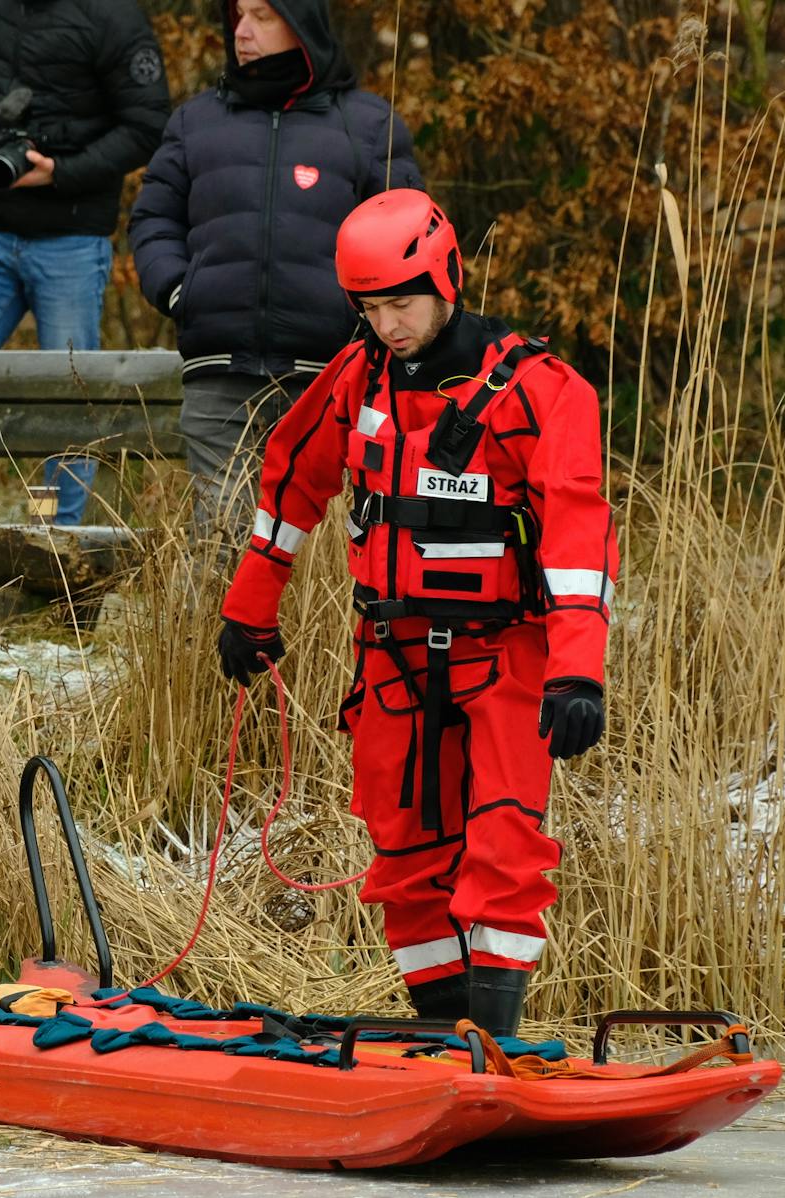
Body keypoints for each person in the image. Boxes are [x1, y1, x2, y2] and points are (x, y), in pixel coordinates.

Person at [215, 189, 616, 1038]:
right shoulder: (356, 378)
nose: (387, 324)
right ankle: (442, 1039)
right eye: (369, 307)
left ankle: (495, 1041)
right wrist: (251, 607)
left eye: (401, 302)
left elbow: (580, 535)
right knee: (403, 856)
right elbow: (291, 478)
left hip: (508, 653)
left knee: (506, 848)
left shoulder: (544, 392)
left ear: (446, 278)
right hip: (392, 652)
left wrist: (579, 667)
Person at [129, 0, 420, 541]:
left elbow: (406, 236)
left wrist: (366, 323)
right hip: (219, 373)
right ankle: (212, 631)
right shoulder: (195, 121)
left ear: (301, 21)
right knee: (222, 540)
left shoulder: (368, 123)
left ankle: (312, 633)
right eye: (237, 15)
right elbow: (153, 219)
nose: (241, 31)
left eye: (261, 16)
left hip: (335, 377)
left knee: (324, 547)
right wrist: (178, 291)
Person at [0, 0, 171, 526]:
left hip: (71, 241)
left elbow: (147, 126)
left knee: (66, 399)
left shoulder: (115, 19)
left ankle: (53, 540)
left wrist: (63, 171)